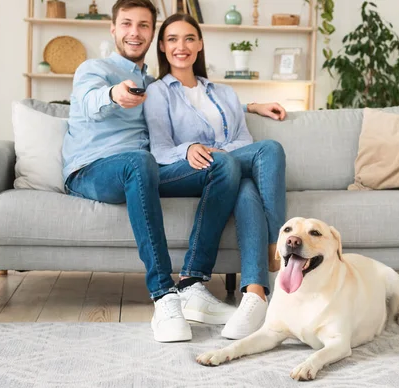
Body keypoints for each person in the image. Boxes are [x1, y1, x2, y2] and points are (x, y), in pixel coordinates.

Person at [61, 0, 286, 343]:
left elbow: (190, 99)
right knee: (140, 161)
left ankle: (194, 283)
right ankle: (164, 296)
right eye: (126, 24)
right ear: (113, 29)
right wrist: (113, 93)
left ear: (152, 35)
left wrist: (248, 106)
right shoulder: (96, 69)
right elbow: (89, 100)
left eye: (143, 26)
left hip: (143, 170)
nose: (134, 32)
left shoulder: (149, 83)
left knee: (222, 164)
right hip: (93, 169)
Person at [143, 13, 286, 340]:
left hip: (224, 166)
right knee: (270, 150)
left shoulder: (223, 92)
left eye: (189, 38)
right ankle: (275, 249)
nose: (182, 46)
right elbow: (160, 148)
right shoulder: (158, 92)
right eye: (173, 39)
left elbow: (243, 141)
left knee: (247, 184)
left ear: (201, 44)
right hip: (182, 170)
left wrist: (221, 151)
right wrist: (190, 147)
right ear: (163, 48)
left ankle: (256, 295)